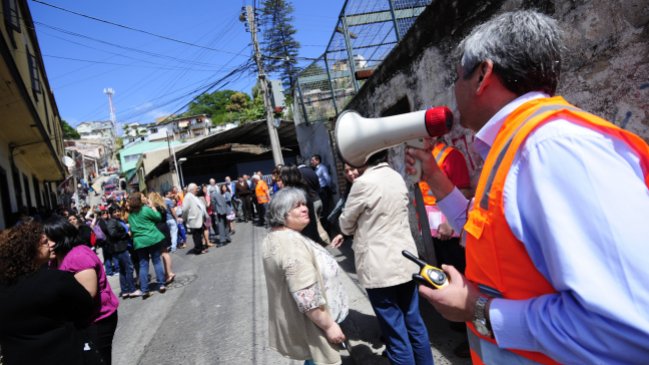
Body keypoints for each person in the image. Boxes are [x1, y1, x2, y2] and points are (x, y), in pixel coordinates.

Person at [405, 10, 649, 364]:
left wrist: (475, 310)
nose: (453, 91)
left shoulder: (551, 149)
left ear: (482, 76)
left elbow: (627, 327)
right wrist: (434, 176)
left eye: (457, 77)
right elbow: (490, 238)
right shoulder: (518, 147)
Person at [339, 150, 434, 365]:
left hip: (379, 266)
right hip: (406, 261)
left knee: (395, 333)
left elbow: (345, 224)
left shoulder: (363, 184)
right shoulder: (395, 176)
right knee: (414, 324)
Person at [263, 188, 348, 365]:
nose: (305, 208)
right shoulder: (291, 244)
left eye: (304, 204)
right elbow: (306, 295)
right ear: (282, 213)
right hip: (313, 326)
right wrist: (329, 326)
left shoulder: (274, 238)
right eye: (296, 206)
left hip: (306, 324)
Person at [0, 221, 95, 365]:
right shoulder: (56, 279)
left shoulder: (5, 287)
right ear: (30, 250)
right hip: (63, 355)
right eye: (45, 242)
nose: (51, 245)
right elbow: (86, 307)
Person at [44, 216, 119, 364]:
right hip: (80, 322)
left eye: (49, 240)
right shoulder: (55, 259)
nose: (47, 245)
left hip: (97, 320)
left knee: (97, 360)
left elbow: (87, 295)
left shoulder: (78, 256)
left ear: (61, 237)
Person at [127, 192, 167, 297]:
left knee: (143, 265)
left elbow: (132, 228)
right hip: (151, 238)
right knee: (156, 261)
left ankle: (145, 289)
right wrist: (153, 207)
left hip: (140, 242)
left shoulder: (130, 215)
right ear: (139, 200)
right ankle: (161, 284)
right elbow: (158, 217)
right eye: (142, 197)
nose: (144, 198)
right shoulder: (145, 210)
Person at [99, 206, 137, 298]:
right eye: (115, 212)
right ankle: (132, 290)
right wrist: (126, 234)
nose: (117, 213)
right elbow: (113, 234)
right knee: (129, 268)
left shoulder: (118, 220)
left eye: (118, 211)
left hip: (120, 247)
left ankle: (125, 291)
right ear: (111, 214)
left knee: (123, 270)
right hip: (119, 248)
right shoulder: (112, 221)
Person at [148, 192, 176, 285]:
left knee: (164, 253)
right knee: (165, 252)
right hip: (164, 228)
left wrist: (152, 208)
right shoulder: (162, 206)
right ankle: (168, 273)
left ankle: (169, 273)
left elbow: (157, 217)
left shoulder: (155, 208)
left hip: (160, 230)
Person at [182, 183, 209, 255]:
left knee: (199, 235)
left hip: (198, 219)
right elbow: (184, 209)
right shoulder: (188, 197)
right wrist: (184, 218)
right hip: (193, 220)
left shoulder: (193, 196)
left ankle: (201, 247)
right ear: (192, 189)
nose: (197, 190)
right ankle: (198, 250)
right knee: (196, 236)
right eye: (196, 189)